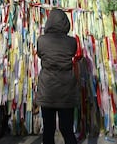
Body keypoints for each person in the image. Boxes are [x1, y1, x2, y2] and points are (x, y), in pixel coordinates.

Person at [35, 8, 81, 144]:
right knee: (67, 129)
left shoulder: (41, 41)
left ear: (49, 23)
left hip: (47, 90)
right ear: (66, 23)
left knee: (48, 130)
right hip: (66, 90)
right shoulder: (72, 42)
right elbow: (72, 54)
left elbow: (40, 54)